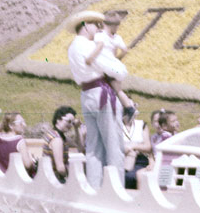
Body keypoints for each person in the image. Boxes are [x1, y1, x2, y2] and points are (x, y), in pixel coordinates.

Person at [66, 10, 133, 188]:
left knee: (93, 146)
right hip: (101, 94)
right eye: (96, 24)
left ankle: (95, 187)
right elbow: (118, 71)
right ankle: (116, 188)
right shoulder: (89, 46)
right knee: (114, 144)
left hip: (86, 94)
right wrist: (118, 67)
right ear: (86, 25)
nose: (99, 28)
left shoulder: (72, 47)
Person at [88, 11, 134, 108]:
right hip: (117, 67)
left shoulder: (99, 35)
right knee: (118, 90)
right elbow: (125, 50)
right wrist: (117, 59)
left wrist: (90, 60)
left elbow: (98, 48)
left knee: (109, 89)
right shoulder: (117, 38)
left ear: (103, 24)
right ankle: (128, 105)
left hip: (105, 67)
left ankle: (128, 107)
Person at [42, 106, 84, 183]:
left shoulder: (56, 134)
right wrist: (73, 177)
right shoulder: (57, 139)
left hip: (50, 179)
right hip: (55, 181)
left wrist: (76, 128)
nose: (70, 125)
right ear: (58, 120)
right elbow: (60, 168)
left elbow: (79, 147)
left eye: (72, 122)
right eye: (68, 121)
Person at [122, 106, 152, 189]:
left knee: (131, 176)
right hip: (122, 159)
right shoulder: (116, 126)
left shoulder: (141, 125)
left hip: (140, 159)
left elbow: (147, 147)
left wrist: (133, 146)